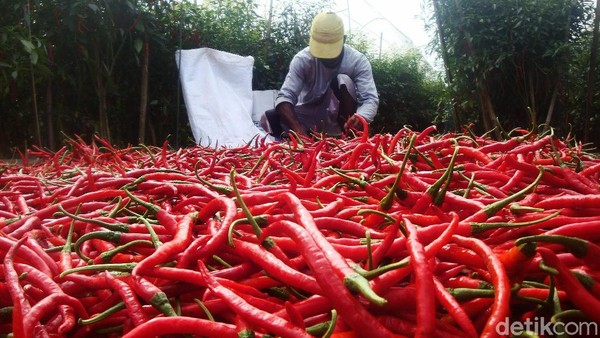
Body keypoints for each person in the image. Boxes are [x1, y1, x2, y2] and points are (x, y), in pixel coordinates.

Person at [260, 11, 379, 138]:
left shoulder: (357, 61)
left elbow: (370, 99)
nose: (326, 56)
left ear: (344, 40)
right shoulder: (303, 59)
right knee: (269, 118)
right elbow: (285, 97)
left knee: (343, 80)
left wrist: (361, 117)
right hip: (307, 116)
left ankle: (346, 136)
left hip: (340, 120)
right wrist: (299, 131)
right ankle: (307, 136)